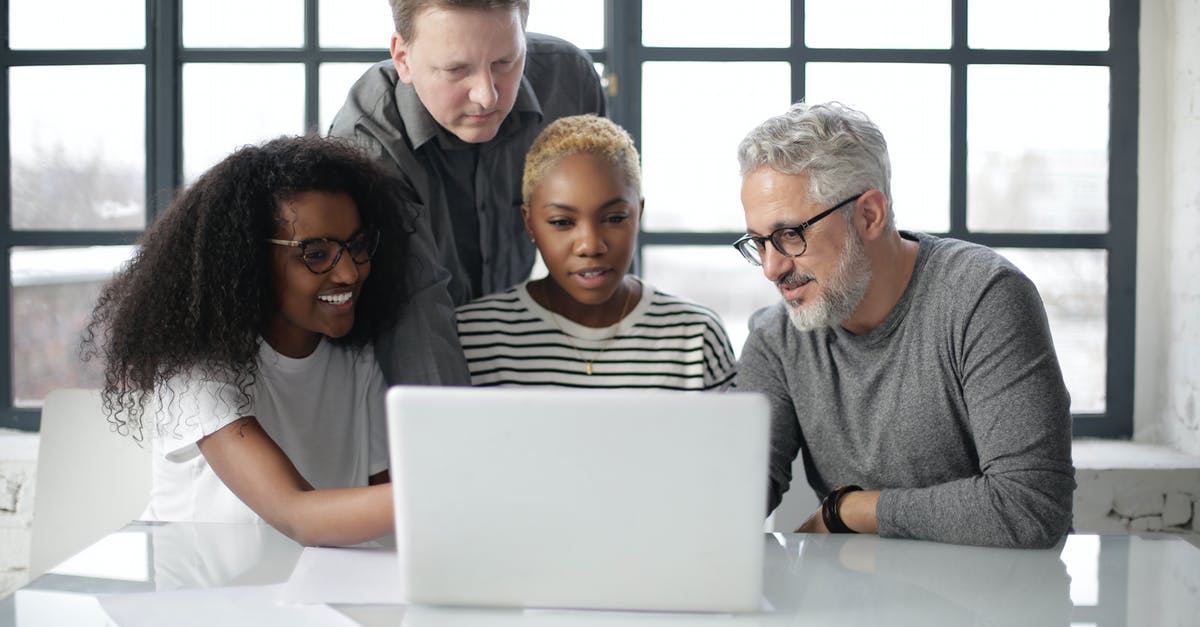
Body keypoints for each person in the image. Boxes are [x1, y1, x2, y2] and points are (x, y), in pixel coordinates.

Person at [733, 101, 1075, 548]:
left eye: (789, 235)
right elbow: (733, 500)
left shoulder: (983, 298)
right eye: (758, 243)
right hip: (857, 603)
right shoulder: (776, 338)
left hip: (998, 603)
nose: (771, 269)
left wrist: (849, 509)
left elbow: (1031, 507)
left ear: (869, 215)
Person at [82, 136, 407, 547]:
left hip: (313, 593)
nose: (349, 273)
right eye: (316, 253)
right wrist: (451, 494)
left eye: (356, 246)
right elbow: (296, 513)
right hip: (202, 602)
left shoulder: (357, 357)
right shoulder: (198, 372)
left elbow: (391, 516)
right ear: (249, 260)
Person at [329, 0, 606, 387]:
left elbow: (595, 236)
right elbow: (416, 307)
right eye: (456, 69)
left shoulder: (568, 80)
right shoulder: (367, 141)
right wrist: (460, 434)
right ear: (403, 58)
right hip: (398, 371)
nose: (487, 96)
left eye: (505, 62)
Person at [456, 114, 736, 389]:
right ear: (530, 224)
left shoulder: (695, 337)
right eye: (562, 222)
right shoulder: (474, 336)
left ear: (639, 214)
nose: (590, 246)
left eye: (614, 218)